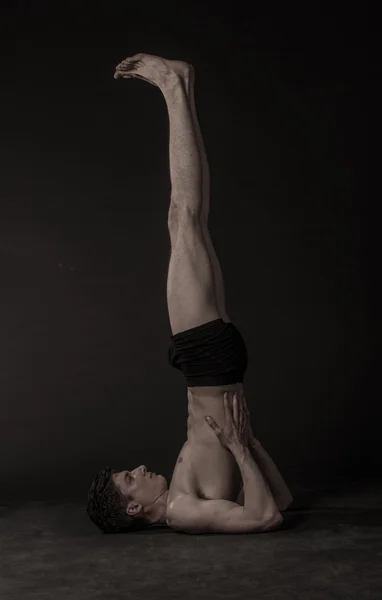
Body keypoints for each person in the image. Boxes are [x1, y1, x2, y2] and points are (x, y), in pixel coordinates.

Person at [87, 54, 293, 534]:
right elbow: (268, 515)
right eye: (129, 480)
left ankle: (178, 87)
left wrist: (251, 446)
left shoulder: (185, 496)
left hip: (215, 369)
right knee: (182, 219)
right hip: (207, 366)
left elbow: (282, 496)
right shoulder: (180, 510)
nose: (138, 470)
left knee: (188, 221)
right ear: (135, 507)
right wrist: (241, 448)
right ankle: (173, 85)